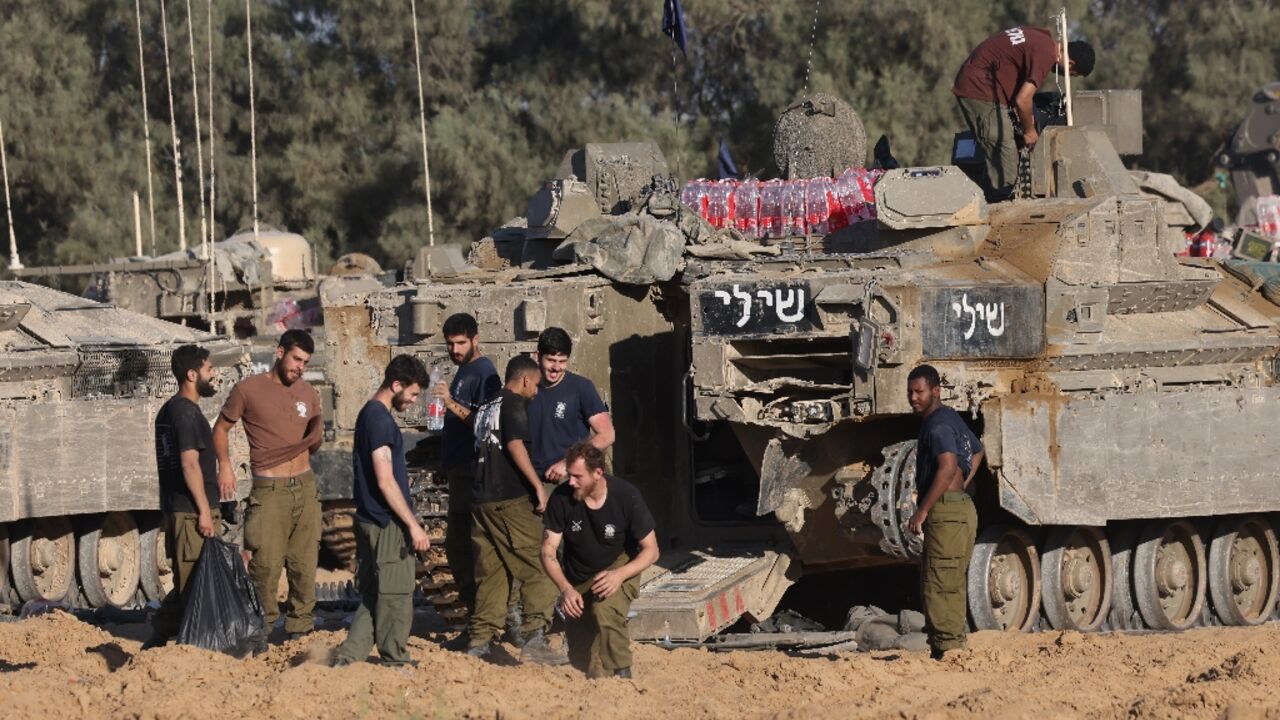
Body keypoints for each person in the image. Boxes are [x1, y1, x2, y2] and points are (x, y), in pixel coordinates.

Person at [214, 330, 323, 640]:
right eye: (296, 359)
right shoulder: (248, 390)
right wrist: (225, 466)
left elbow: (314, 439)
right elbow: (220, 429)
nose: (300, 367)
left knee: (304, 565)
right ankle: (261, 630)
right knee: (265, 566)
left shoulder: (309, 393)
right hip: (270, 491)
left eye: (305, 362)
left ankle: (301, 628)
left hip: (305, 487)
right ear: (280, 352)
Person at [332, 355, 433, 667]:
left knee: (373, 595)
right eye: (412, 394)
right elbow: (385, 479)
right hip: (386, 522)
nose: (413, 401)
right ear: (396, 384)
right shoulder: (379, 420)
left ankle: (349, 657)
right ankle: (395, 660)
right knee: (396, 595)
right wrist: (413, 525)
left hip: (369, 517)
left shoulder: (369, 414)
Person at [464, 355, 566, 665]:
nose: (536, 392)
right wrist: (537, 486)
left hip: (480, 501)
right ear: (524, 380)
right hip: (509, 498)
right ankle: (535, 640)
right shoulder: (513, 403)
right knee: (540, 564)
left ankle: (480, 642)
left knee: (492, 572)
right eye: (535, 385)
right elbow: (515, 444)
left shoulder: (487, 406)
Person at [541, 443, 658, 679]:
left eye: (577, 476)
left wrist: (620, 575)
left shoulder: (626, 496)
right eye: (569, 475)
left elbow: (652, 550)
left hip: (618, 565)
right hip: (578, 574)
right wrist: (565, 589)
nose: (571, 482)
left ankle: (622, 674)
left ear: (597, 473)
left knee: (605, 610)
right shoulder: (561, 499)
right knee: (581, 658)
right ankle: (598, 675)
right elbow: (548, 551)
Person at [952, 26, 1095, 201]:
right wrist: (1030, 131)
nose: (1067, 77)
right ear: (1070, 63)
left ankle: (987, 197)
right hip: (980, 89)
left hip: (981, 83)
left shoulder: (1042, 37)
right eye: (1072, 74)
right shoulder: (1046, 55)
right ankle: (1001, 201)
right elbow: (1023, 100)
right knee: (1003, 148)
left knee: (999, 148)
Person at [143, 345, 221, 649]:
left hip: (180, 509)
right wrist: (204, 511)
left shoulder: (169, 410)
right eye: (209, 369)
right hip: (191, 512)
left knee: (191, 579)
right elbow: (189, 464)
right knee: (195, 585)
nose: (214, 374)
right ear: (191, 375)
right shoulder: (186, 413)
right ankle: (194, 647)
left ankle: (160, 635)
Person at [905, 364, 984, 660]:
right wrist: (961, 484)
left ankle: (949, 651)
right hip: (958, 506)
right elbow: (977, 450)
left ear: (936, 390)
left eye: (919, 392)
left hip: (946, 510)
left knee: (940, 583)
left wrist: (922, 510)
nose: (913, 398)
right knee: (947, 579)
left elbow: (947, 467)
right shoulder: (950, 417)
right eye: (910, 392)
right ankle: (948, 647)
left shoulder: (937, 425)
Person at [430, 313, 501, 616]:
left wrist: (450, 403)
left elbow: (486, 425)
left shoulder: (484, 373)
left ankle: (486, 616)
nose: (455, 349)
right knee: (458, 550)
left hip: (475, 475)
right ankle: (476, 614)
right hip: (458, 473)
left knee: (475, 551)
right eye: (450, 344)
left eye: (461, 343)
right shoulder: (464, 371)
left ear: (475, 339)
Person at [528, 327, 615, 486]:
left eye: (562, 361)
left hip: (569, 481)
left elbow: (607, 434)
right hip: (533, 481)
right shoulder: (527, 387)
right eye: (551, 360)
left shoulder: (581, 388)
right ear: (538, 356)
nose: (556, 367)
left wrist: (568, 462)